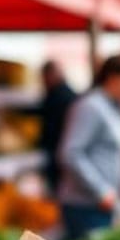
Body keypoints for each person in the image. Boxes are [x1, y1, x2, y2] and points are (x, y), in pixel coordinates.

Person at [58, 52, 120, 240]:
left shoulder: (118, 108)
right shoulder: (90, 107)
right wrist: (101, 191)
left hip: (106, 205)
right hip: (85, 206)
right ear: (114, 77)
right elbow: (71, 152)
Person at [39, 60, 78, 195]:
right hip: (60, 152)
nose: (43, 81)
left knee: (57, 189)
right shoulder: (70, 94)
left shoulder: (58, 96)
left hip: (58, 151)